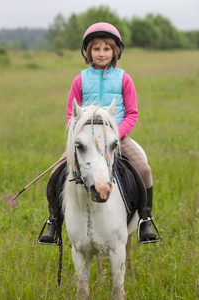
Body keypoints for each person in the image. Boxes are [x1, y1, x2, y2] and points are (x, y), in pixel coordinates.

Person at [39, 22, 159, 244]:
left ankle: (145, 219)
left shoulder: (124, 79)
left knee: (143, 169)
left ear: (116, 52)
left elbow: (132, 113)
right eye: (96, 49)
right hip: (86, 140)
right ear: (87, 52)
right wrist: (80, 136)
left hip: (116, 139)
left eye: (107, 49)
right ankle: (53, 221)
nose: (101, 54)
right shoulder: (80, 80)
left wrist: (115, 135)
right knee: (56, 172)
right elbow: (71, 115)